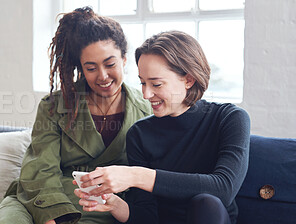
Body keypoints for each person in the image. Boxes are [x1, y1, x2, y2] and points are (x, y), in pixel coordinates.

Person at [0, 6, 151, 224]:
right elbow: (40, 170)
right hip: (38, 200)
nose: (102, 76)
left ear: (124, 59)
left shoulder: (147, 109)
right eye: (91, 68)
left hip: (101, 206)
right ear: (81, 68)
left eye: (110, 64)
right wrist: (51, 218)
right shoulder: (53, 106)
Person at [74, 30, 251, 224]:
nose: (146, 94)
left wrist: (135, 176)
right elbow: (146, 216)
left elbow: (224, 189)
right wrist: (114, 203)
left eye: (156, 84)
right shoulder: (140, 134)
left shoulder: (230, 118)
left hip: (209, 217)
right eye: (142, 83)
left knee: (206, 202)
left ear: (188, 80)